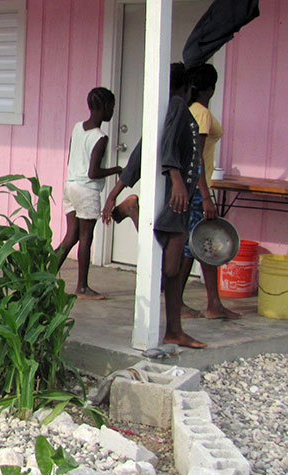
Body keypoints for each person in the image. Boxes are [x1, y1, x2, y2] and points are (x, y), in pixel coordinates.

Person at [102, 63, 208, 348]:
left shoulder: (165, 109)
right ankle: (133, 210)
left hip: (177, 199)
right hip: (176, 199)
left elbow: (141, 149)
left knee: (169, 271)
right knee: (169, 270)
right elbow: (168, 146)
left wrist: (117, 188)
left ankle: (174, 330)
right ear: (187, 89)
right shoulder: (176, 105)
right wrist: (175, 179)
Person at [181, 64, 240, 319]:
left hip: (195, 186)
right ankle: (184, 301)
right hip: (197, 187)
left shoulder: (190, 110)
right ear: (211, 88)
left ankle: (212, 302)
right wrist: (206, 195)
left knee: (201, 244)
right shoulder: (201, 113)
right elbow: (197, 156)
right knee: (196, 245)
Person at [56, 87, 122, 299]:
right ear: (103, 107)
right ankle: (82, 287)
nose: (112, 110)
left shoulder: (77, 128)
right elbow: (93, 172)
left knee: (70, 236)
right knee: (85, 238)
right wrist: (117, 170)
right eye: (111, 106)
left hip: (70, 185)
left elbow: (70, 160)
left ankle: (45, 276)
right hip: (86, 190)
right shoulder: (100, 137)